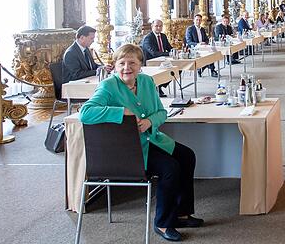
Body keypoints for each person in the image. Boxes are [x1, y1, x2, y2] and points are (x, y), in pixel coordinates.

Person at [79, 44, 202, 242]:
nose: (127, 67)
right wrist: (121, 113)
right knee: (170, 168)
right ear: (115, 66)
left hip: (151, 139)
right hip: (128, 149)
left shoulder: (146, 81)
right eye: (122, 63)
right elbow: (86, 113)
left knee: (187, 156)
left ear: (140, 66)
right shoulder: (108, 86)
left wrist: (149, 121)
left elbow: (161, 112)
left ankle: (181, 213)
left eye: (132, 63)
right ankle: (162, 222)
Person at [140, 19, 173, 96]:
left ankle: (160, 85)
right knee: (165, 70)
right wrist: (168, 53)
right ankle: (157, 87)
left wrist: (175, 51)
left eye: (160, 26)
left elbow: (169, 47)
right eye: (156, 26)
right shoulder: (148, 38)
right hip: (151, 62)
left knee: (177, 70)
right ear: (152, 27)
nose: (159, 28)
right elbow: (153, 53)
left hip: (162, 60)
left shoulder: (163, 36)